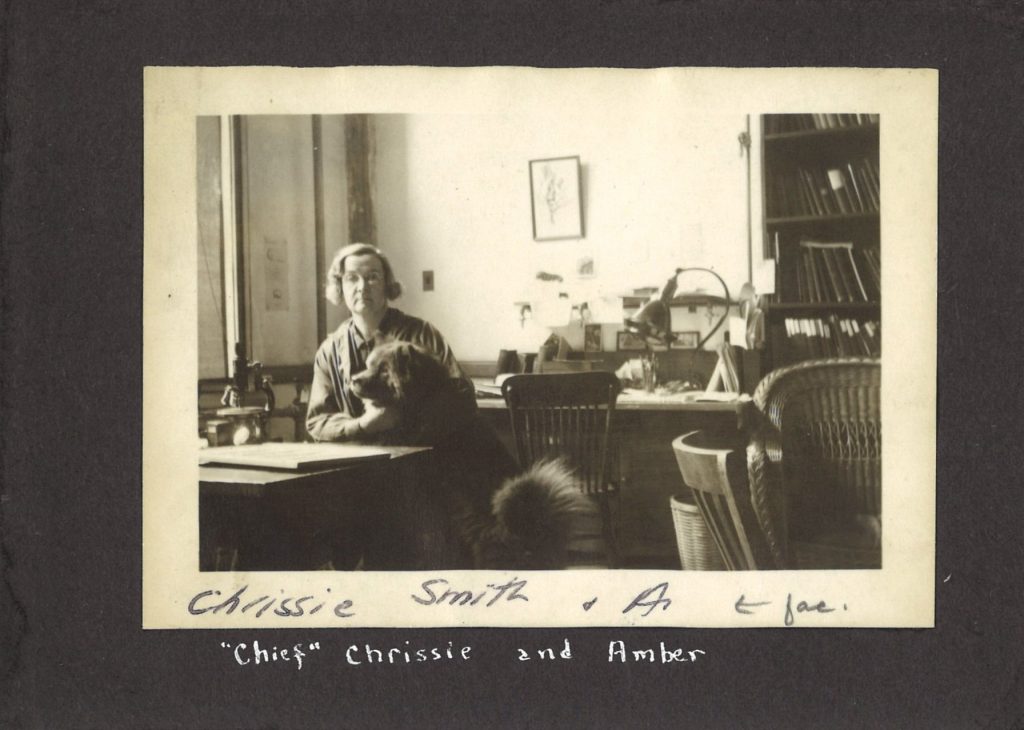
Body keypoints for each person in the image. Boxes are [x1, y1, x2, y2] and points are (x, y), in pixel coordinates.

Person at [306, 242, 476, 443]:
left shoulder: (421, 334)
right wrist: (362, 425)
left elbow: (462, 397)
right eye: (352, 278)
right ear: (340, 287)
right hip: (355, 462)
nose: (362, 287)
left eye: (373, 277)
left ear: (387, 285)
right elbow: (318, 421)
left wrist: (405, 421)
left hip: (420, 456)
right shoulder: (330, 350)